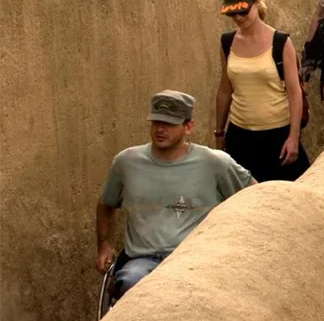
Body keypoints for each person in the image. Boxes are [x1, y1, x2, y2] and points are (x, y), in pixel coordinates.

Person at [95, 90, 255, 295]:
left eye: (169, 124)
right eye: (156, 123)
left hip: (195, 261)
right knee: (129, 282)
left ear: (188, 126)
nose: (160, 130)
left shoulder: (215, 163)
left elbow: (256, 198)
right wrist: (103, 245)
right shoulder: (126, 162)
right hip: (142, 262)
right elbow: (105, 204)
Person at [215, 0, 310, 182]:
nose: (239, 17)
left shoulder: (281, 42)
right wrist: (219, 133)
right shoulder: (227, 42)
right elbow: (225, 89)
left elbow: (294, 92)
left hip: (277, 137)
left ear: (256, 3)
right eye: (233, 13)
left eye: (243, 11)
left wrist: (293, 138)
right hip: (240, 137)